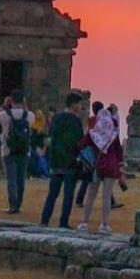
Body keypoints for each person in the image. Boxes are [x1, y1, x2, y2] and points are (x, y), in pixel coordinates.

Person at [40, 92, 84, 229]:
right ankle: (63, 222)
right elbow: (79, 142)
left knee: (52, 193)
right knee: (68, 195)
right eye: (79, 104)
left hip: (56, 161)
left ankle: (44, 220)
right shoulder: (75, 121)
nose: (81, 107)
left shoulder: (57, 118)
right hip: (70, 162)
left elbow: (51, 137)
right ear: (73, 105)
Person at [78, 100, 120, 234]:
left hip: (96, 166)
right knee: (106, 196)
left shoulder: (93, 133)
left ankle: (84, 223)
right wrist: (122, 168)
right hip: (111, 166)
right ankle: (104, 224)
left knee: (91, 195)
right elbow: (119, 152)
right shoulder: (113, 134)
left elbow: (81, 145)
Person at [0, 92, 35, 215]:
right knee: (21, 178)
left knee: (11, 179)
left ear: (11, 101)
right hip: (24, 151)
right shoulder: (29, 115)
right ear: (23, 101)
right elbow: (31, 122)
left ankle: (13, 205)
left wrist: (4, 106)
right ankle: (19, 204)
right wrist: (25, 105)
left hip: (8, 150)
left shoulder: (4, 115)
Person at [29, 110, 50, 178]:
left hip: (43, 150)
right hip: (36, 150)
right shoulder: (33, 126)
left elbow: (48, 139)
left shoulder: (45, 127)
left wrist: (44, 148)